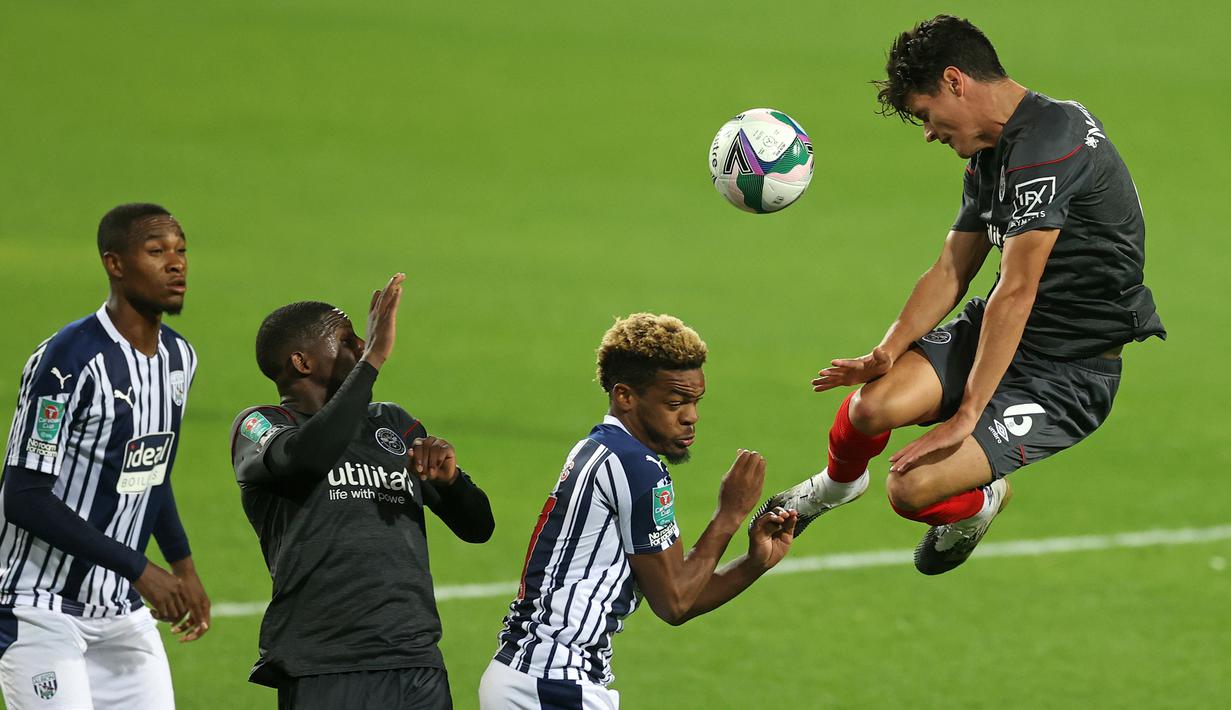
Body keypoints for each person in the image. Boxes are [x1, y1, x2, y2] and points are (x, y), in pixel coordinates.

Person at [761, 15, 1165, 574]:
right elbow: (954, 266)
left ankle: (981, 504)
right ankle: (835, 486)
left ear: (956, 80)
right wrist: (889, 347)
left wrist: (967, 414)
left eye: (926, 114)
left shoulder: (1050, 145)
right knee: (870, 405)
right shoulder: (991, 152)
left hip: (1068, 371)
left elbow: (1017, 289)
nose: (927, 132)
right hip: (1001, 334)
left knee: (910, 488)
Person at [480, 313, 797, 709]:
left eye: (696, 402)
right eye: (675, 402)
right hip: (552, 682)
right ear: (625, 396)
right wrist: (729, 514)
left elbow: (677, 597)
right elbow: (675, 600)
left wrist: (753, 563)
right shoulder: (635, 466)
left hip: (540, 677)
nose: (691, 416)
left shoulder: (602, 449)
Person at [230, 274, 494, 710]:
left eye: (361, 339)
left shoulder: (392, 423)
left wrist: (451, 481)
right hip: (326, 665)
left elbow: (479, 527)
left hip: (416, 662)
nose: (360, 345)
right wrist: (372, 359)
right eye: (348, 339)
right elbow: (308, 457)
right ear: (302, 362)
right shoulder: (261, 425)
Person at [0, 203, 210, 708]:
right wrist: (141, 568)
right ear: (114, 264)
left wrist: (184, 568)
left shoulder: (179, 359)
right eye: (156, 252)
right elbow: (24, 496)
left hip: (118, 610)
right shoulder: (68, 361)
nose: (176, 264)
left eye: (181, 251)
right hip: (38, 608)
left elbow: (149, 472)